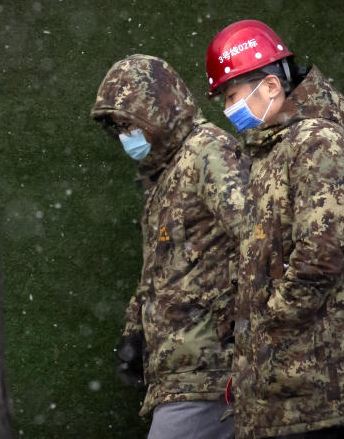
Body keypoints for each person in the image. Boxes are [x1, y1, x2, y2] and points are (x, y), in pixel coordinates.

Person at [205, 20, 344, 439]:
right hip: (286, 396)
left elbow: (320, 257)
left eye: (232, 96)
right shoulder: (274, 150)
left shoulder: (317, 142)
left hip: (320, 395)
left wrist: (264, 334)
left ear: (270, 86)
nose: (229, 109)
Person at [91, 54, 249, 439]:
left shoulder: (208, 153)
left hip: (210, 370)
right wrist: (135, 333)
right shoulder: (164, 176)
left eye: (129, 124)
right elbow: (158, 271)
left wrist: (233, 324)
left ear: (156, 111)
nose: (125, 136)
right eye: (118, 129)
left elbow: (258, 239)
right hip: (183, 372)